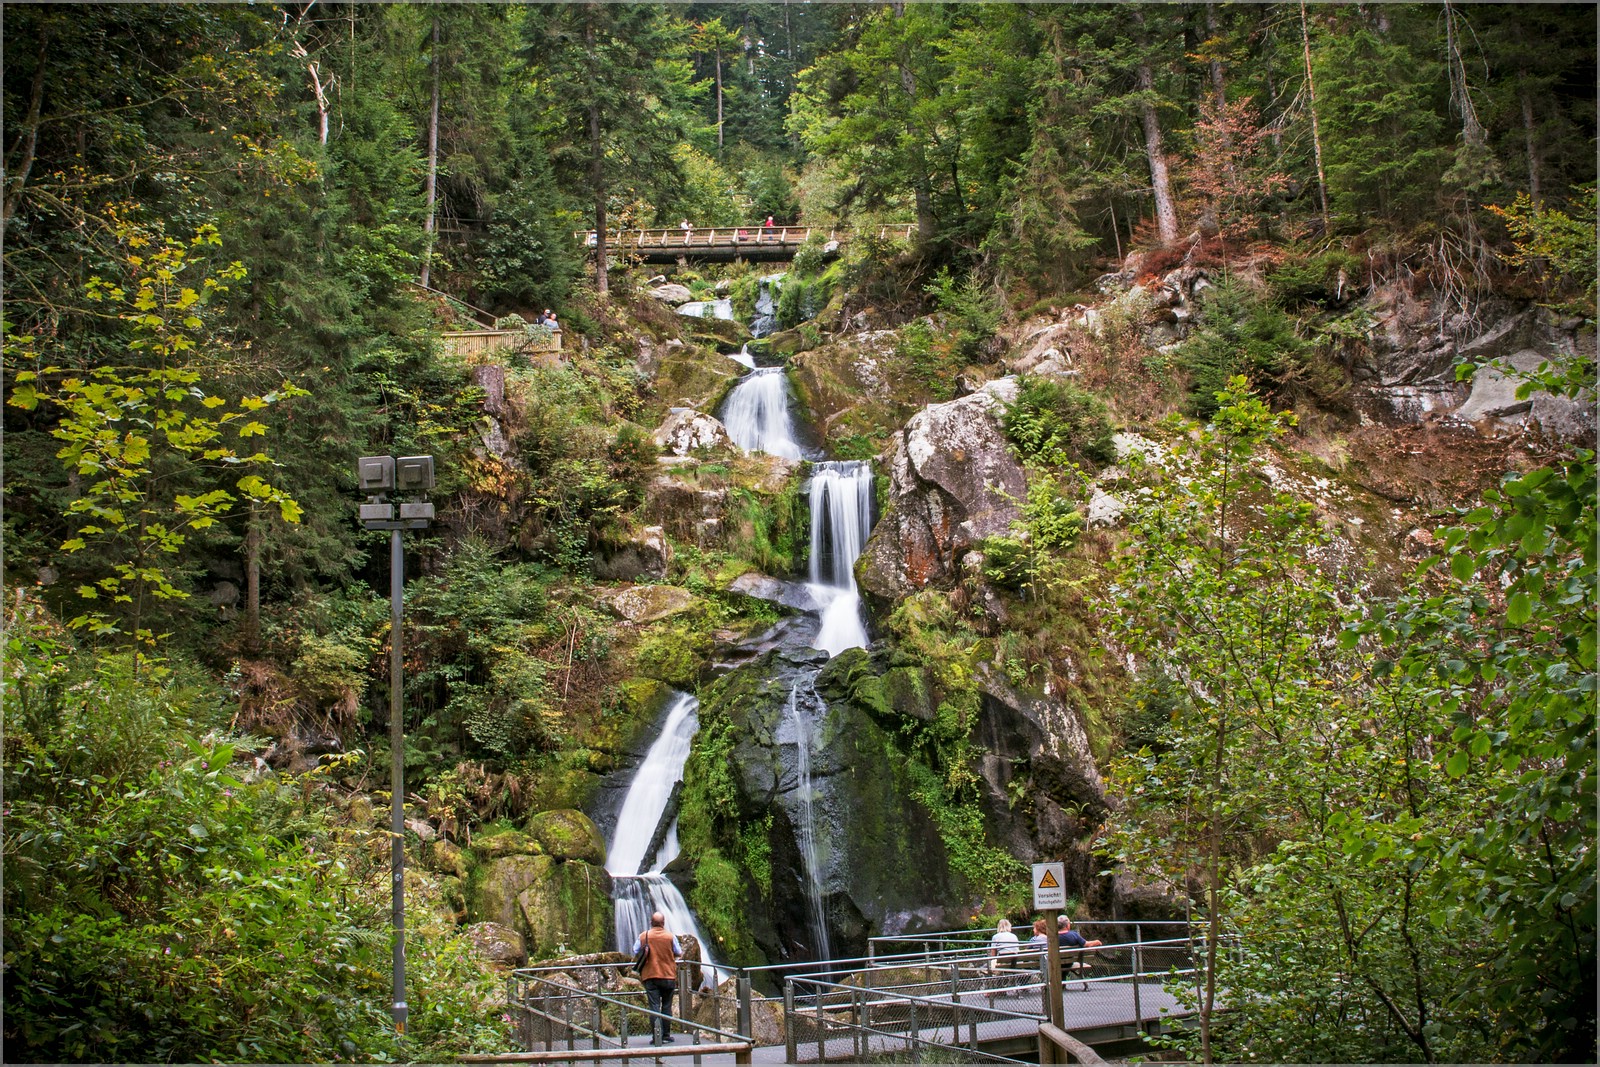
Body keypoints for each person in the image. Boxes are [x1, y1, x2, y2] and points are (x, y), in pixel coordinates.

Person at [636, 912, 683, 1045]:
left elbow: (635, 950)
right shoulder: (670, 936)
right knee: (667, 1006)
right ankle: (666, 1035)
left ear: (651, 922)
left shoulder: (644, 935)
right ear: (663, 923)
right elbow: (679, 952)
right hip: (668, 975)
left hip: (650, 976)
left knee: (654, 1006)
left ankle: (656, 1036)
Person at [1058, 915, 1103, 990]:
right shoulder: (1073, 935)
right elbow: (1086, 944)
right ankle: (1063, 984)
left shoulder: (1052, 936)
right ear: (1067, 925)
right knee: (1066, 963)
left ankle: (1061, 984)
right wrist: (1097, 941)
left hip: (1056, 962)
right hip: (1069, 963)